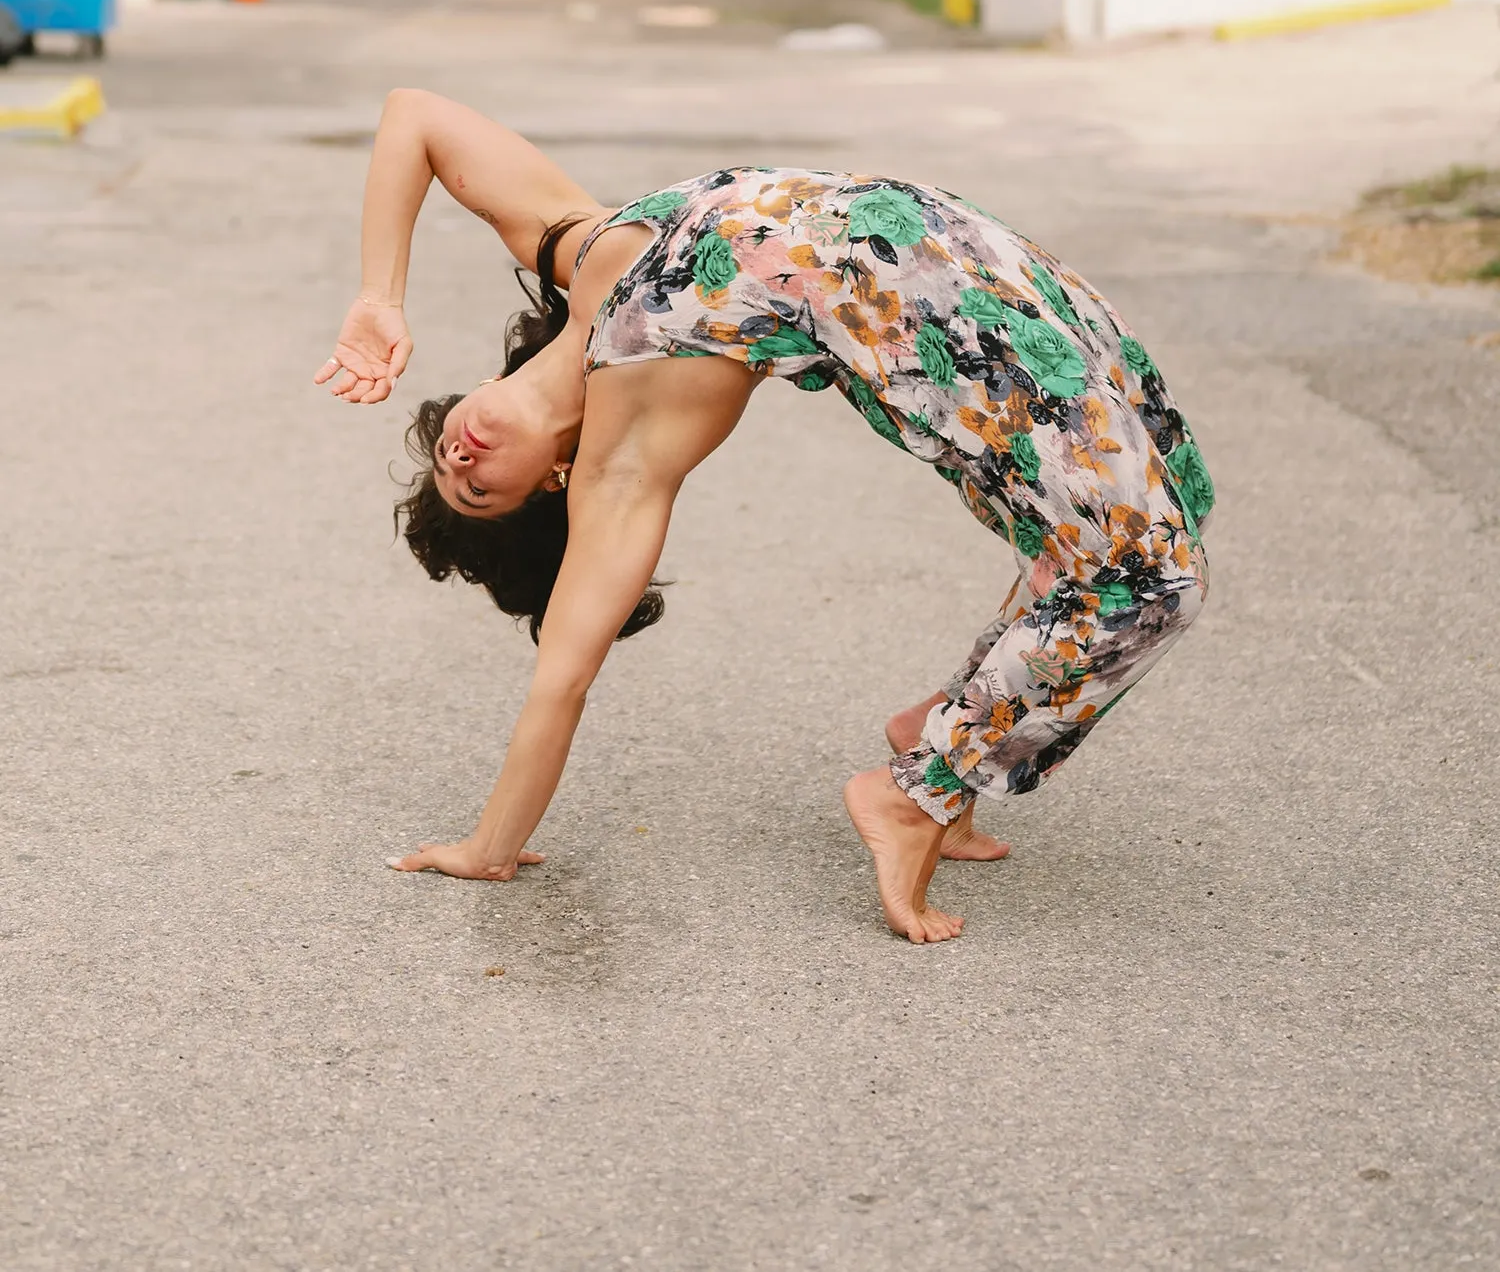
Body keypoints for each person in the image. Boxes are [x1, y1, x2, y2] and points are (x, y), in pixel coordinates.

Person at [316, 90, 1214, 943]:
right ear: (551, 482)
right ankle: (919, 790)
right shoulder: (622, 462)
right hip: (931, 316)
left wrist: (379, 296)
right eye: (476, 489)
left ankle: (942, 726)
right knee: (1150, 575)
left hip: (949, 237)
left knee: (1169, 492)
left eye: (446, 451)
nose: (462, 457)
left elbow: (416, 118)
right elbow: (562, 682)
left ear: (470, 391)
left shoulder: (568, 241)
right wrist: (488, 850)